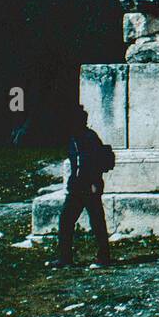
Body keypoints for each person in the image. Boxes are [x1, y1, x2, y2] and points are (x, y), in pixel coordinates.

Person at [53, 107, 114, 268]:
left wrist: (94, 183)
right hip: (77, 187)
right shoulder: (74, 139)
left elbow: (95, 162)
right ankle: (65, 258)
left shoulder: (89, 138)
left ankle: (104, 257)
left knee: (97, 222)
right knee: (66, 221)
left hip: (89, 186)